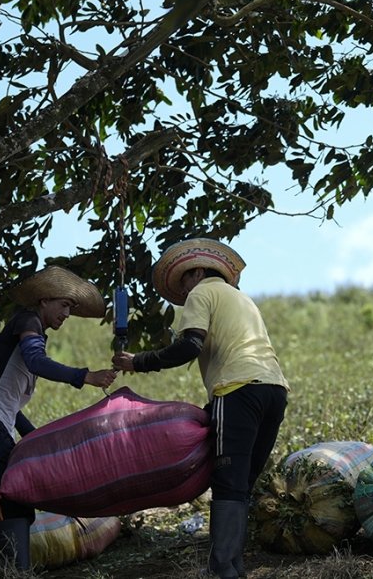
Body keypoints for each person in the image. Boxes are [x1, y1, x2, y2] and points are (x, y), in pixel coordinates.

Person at [113, 238, 288, 579]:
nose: (184, 290)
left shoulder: (201, 294)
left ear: (195, 272)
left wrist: (139, 362)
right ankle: (234, 567)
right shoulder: (242, 299)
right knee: (243, 481)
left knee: (227, 481)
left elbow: (188, 346)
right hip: (275, 389)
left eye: (184, 282)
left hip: (236, 390)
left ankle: (223, 569)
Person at [0, 265, 118, 571]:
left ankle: (3, 572)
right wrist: (85, 376)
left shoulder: (27, 330)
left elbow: (11, 405)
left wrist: (36, 439)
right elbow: (37, 361)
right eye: (65, 305)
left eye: (71, 307)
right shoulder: (27, 320)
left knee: (14, 504)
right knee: (8, 504)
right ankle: (14, 573)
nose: (67, 314)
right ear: (43, 300)